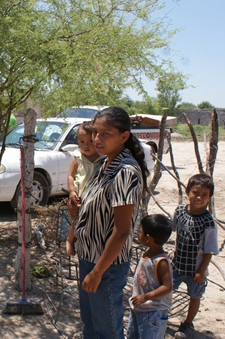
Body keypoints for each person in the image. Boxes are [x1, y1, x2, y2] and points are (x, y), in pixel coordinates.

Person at [72, 106, 149, 339]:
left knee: (106, 330)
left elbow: (122, 231)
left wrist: (97, 272)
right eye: (95, 132)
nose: (96, 139)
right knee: (91, 324)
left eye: (105, 134)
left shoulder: (124, 171)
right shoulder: (104, 165)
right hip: (89, 257)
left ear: (124, 136)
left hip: (106, 266)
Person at [172, 173, 219, 338]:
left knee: (195, 296)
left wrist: (201, 270)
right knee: (166, 289)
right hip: (177, 265)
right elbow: (170, 230)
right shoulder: (180, 211)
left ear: (209, 198)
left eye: (204, 195)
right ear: (187, 192)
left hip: (196, 270)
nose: (199, 197)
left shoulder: (208, 222)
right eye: (196, 193)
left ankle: (187, 324)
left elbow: (209, 250)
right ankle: (160, 316)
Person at [127, 214, 173, 339]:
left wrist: (145, 297)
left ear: (148, 238)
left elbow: (167, 287)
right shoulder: (147, 253)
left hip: (153, 313)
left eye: (140, 232)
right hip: (138, 308)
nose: (138, 235)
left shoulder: (161, 261)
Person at [65, 121, 103, 256]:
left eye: (90, 141)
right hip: (80, 196)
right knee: (76, 220)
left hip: (95, 199)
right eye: (81, 142)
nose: (86, 146)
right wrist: (71, 191)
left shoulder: (103, 158)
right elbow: (70, 176)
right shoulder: (77, 157)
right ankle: (70, 240)